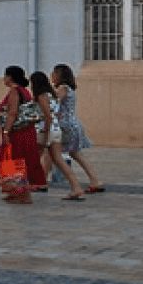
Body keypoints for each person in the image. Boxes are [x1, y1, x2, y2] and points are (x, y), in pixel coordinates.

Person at [28, 70, 84, 200]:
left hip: (46, 131)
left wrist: (45, 134)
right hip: (56, 129)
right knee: (58, 160)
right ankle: (76, 187)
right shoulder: (52, 94)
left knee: (32, 158)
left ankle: (25, 185)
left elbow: (47, 116)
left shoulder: (41, 96)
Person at [51, 63, 104, 194]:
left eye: (54, 74)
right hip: (72, 124)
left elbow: (55, 102)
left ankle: (47, 181)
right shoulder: (70, 88)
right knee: (75, 154)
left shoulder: (63, 88)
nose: (52, 76)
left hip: (65, 125)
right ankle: (95, 180)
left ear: (60, 76)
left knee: (53, 152)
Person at [0, 66, 37, 203]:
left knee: (14, 160)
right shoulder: (24, 91)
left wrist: (6, 131)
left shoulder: (14, 91)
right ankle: (16, 192)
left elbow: (12, 113)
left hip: (17, 132)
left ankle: (22, 194)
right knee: (17, 160)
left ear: (10, 77)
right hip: (25, 131)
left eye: (5, 75)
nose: (4, 78)